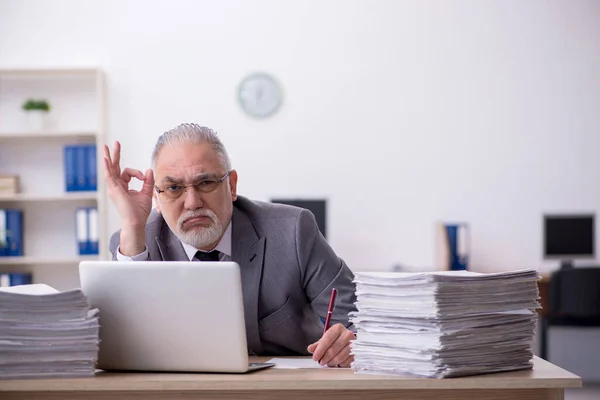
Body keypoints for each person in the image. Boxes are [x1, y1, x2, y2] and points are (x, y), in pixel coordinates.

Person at [104, 123, 357, 367]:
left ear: (232, 185)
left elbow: (361, 319)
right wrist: (133, 227)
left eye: (205, 183)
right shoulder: (134, 239)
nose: (192, 202)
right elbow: (123, 343)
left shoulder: (293, 231)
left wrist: (351, 340)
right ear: (157, 198)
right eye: (173, 187)